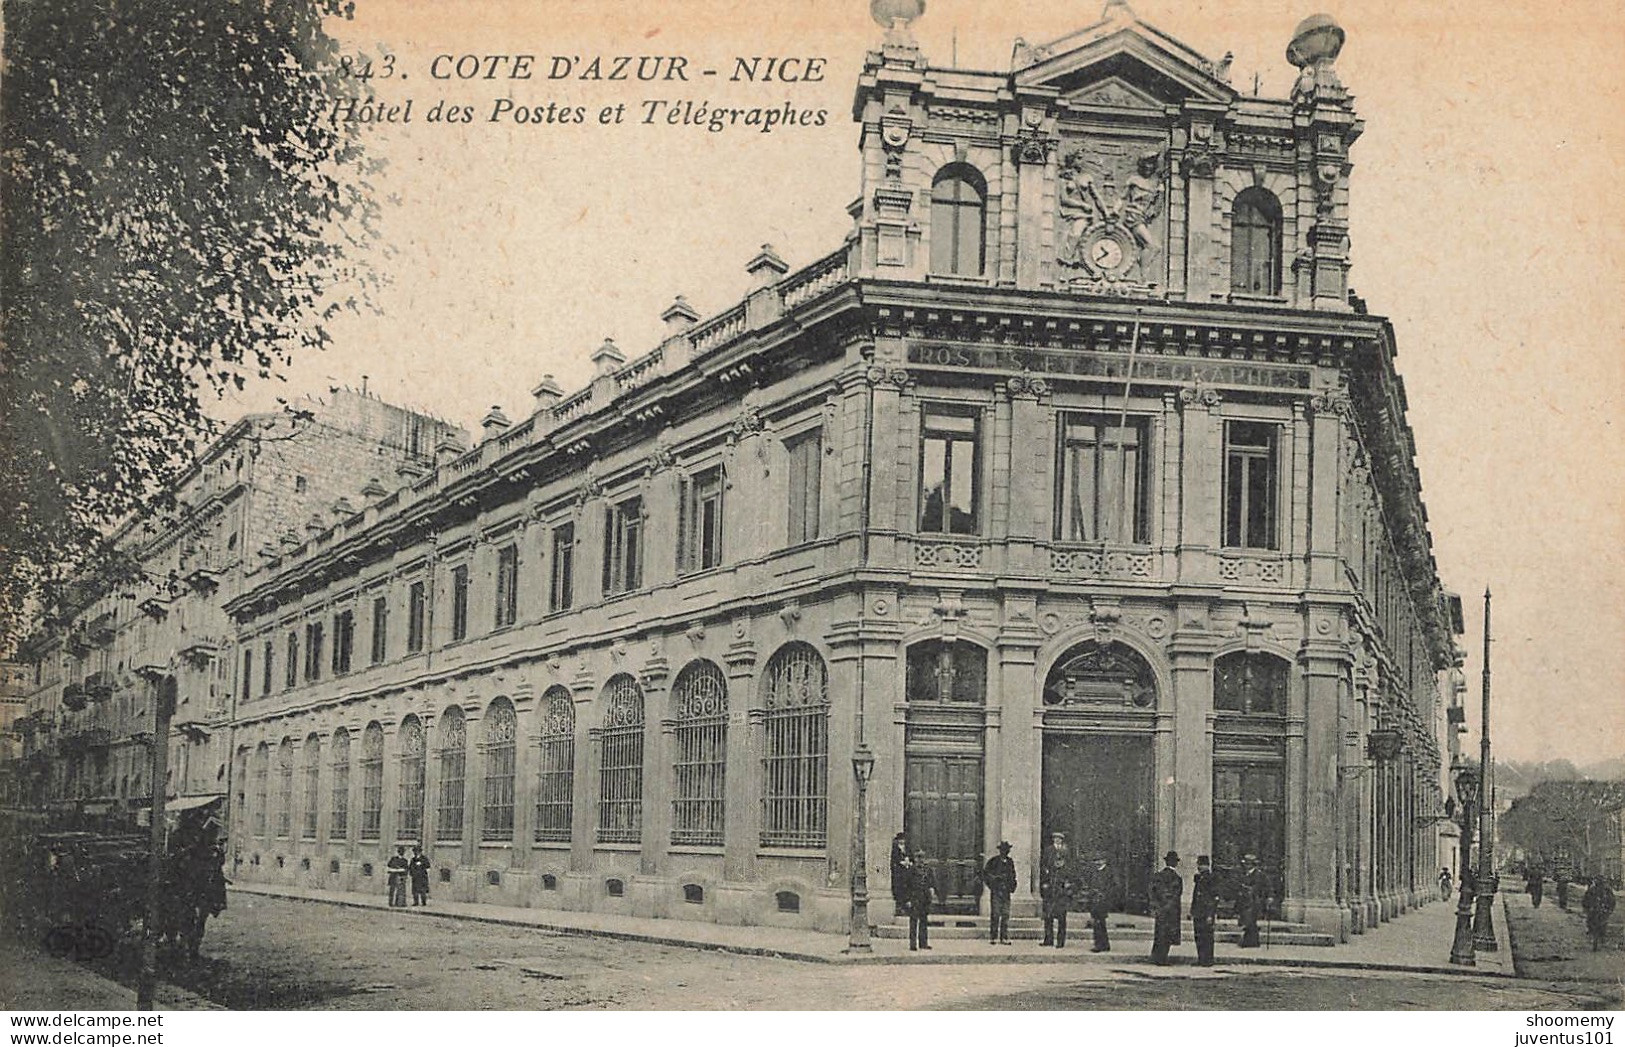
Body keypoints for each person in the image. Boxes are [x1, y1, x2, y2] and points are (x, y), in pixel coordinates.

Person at [1040, 832, 1076, 948]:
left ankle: (1060, 941)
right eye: (1055, 838)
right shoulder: (1048, 850)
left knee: (1061, 917)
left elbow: (1070, 868)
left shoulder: (1066, 851)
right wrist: (1045, 882)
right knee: (1048, 916)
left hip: (1061, 890)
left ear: (1062, 840)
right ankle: (1048, 939)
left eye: (1059, 839)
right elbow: (1043, 866)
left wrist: (1067, 882)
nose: (1057, 840)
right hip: (1050, 888)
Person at [1149, 850, 1183, 965]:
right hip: (1171, 911)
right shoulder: (1177, 878)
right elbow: (1176, 895)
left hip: (1161, 910)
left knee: (1159, 934)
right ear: (1175, 863)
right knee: (1167, 935)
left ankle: (1156, 957)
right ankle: (1162, 958)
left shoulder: (1158, 876)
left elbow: (1153, 892)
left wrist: (1157, 906)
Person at [982, 842, 1017, 945]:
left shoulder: (1010, 862)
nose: (1005, 852)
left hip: (1006, 891)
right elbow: (986, 874)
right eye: (1003, 850)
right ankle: (993, 936)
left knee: (1005, 915)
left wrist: (1012, 886)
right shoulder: (994, 861)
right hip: (997, 891)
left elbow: (1013, 875)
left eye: (1007, 850)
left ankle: (1004, 937)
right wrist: (993, 883)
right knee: (996, 914)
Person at [905, 850, 937, 951]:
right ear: (915, 859)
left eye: (922, 858)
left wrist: (932, 889)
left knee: (924, 921)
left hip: (925, 898)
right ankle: (913, 944)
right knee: (914, 922)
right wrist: (907, 900)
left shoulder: (928, 870)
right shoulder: (911, 870)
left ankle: (923, 943)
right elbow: (906, 886)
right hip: (914, 898)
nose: (920, 860)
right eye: (918, 858)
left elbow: (932, 882)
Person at [1191, 855, 1218, 966]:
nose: (1198, 867)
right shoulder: (1200, 878)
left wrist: (1210, 915)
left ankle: (1207, 959)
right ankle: (1202, 958)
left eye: (1200, 864)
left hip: (1206, 913)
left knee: (1206, 937)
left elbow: (1212, 898)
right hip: (1198, 912)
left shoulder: (1210, 879)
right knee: (1199, 936)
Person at [1237, 853, 1264, 948]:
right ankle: (1249, 941)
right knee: (1247, 920)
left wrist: (1250, 889)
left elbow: (1262, 886)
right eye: (1245, 864)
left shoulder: (1258, 874)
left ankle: (1252, 941)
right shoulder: (1244, 874)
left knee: (1251, 921)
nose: (1246, 866)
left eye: (1248, 864)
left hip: (1253, 901)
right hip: (1245, 900)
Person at [1581, 878, 1616, 951]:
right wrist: (1587, 908)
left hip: (1601, 910)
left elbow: (1612, 901)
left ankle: (1600, 938)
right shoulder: (1593, 890)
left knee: (1601, 924)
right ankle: (1596, 937)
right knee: (1592, 923)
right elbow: (1585, 900)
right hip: (1595, 910)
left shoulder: (1606, 891)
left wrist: (1609, 910)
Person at [1086, 856, 1112, 952]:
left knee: (1100, 923)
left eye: (1099, 860)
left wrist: (1105, 894)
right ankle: (1101, 944)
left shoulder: (1109, 873)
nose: (1097, 862)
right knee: (1096, 923)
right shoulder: (1094, 872)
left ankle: (1102, 945)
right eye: (1096, 860)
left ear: (1104, 861)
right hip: (1094, 900)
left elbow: (1113, 886)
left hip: (1102, 901)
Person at [890, 832, 910, 917]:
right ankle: (899, 908)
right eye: (901, 840)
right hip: (898, 874)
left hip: (907, 873)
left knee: (907, 890)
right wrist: (901, 863)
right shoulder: (895, 849)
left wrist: (909, 862)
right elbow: (894, 861)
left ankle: (906, 907)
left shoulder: (907, 849)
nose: (902, 841)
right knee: (899, 890)